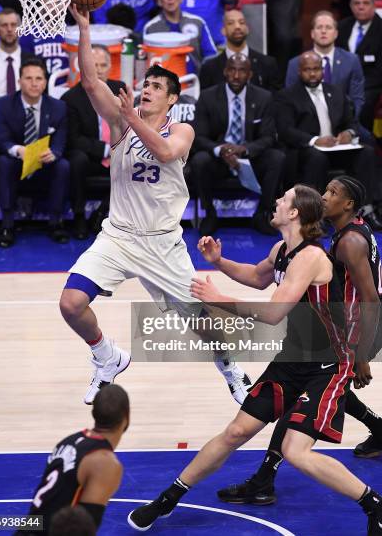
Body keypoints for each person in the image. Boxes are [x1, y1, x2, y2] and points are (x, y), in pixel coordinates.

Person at [127, 184, 382, 535]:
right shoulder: (283, 250)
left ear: (294, 213)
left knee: (296, 450)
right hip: (291, 359)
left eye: (283, 200)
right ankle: (167, 499)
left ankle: (374, 506)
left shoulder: (312, 258)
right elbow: (257, 276)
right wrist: (219, 262)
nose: (276, 203)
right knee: (236, 431)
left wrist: (218, 298)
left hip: (327, 364)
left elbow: (275, 312)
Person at [59, 4, 250, 406]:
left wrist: (131, 115)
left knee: (200, 324)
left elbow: (164, 152)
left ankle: (231, 367)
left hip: (163, 243)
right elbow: (92, 83)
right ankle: (106, 355)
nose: (147, 89)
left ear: (172, 99)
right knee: (71, 303)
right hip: (119, 237)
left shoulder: (181, 128)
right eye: (145, 83)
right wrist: (84, 29)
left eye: (156, 87)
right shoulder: (121, 121)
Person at [217, 175, 382, 506]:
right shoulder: (351, 232)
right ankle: (378, 428)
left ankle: (265, 479)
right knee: (325, 388)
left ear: (349, 205)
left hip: (350, 330)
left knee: (301, 399)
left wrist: (362, 354)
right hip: (339, 328)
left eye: (332, 193)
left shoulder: (348, 242)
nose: (324, 196)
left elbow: (370, 299)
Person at [276, 51, 382, 231]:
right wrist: (315, 140)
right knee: (317, 158)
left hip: (337, 149)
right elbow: (285, 130)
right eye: (307, 70)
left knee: (367, 153)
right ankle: (316, 216)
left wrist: (348, 133)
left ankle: (367, 208)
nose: (312, 73)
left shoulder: (335, 92)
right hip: (306, 151)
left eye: (316, 69)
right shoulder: (287, 96)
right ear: (300, 71)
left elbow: (351, 121)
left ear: (322, 71)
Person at [16, 384, 129, 535]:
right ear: (127, 417)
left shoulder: (68, 441)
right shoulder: (106, 463)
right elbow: (83, 527)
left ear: (94, 413)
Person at [192, 53, 285, 236]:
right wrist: (221, 150)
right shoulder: (207, 97)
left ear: (249, 74)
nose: (236, 76)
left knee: (277, 157)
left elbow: (268, 137)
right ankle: (210, 214)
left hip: (250, 157)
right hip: (219, 159)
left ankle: (263, 213)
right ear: (225, 72)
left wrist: (244, 150)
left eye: (242, 71)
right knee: (199, 160)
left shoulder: (263, 97)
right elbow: (199, 136)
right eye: (232, 70)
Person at [0, 57, 70, 247]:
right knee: (3, 162)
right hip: (18, 161)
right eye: (28, 78)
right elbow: (1, 140)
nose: (34, 83)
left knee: (63, 165)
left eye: (39, 78)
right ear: (19, 81)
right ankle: (7, 224)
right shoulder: (3, 105)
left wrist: (54, 153)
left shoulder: (58, 107)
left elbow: (60, 140)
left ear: (45, 82)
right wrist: (18, 150)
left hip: (44, 163)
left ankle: (56, 223)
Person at [62, 45, 126, 239]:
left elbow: (129, 124)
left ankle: (103, 212)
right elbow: (73, 139)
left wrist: (118, 147)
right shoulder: (70, 98)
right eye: (93, 65)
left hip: (118, 151)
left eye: (103, 65)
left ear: (109, 67)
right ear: (83, 67)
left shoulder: (120, 89)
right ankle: (79, 216)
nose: (98, 69)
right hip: (91, 156)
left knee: (132, 161)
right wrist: (106, 149)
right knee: (77, 160)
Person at [285, 10, 365, 120]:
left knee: (368, 137)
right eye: (319, 27)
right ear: (312, 33)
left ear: (336, 33)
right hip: (307, 125)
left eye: (328, 27)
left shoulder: (352, 61)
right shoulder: (296, 63)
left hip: (344, 122)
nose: (323, 31)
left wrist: (347, 124)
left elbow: (357, 99)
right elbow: (291, 101)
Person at [143, 0, 217, 75]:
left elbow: (210, 56)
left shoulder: (197, 22)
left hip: (195, 80)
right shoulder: (151, 27)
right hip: (163, 83)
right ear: (159, 1)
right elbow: (144, 61)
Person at [199, 8, 281, 92]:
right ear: (223, 31)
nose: (237, 26)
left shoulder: (267, 64)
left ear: (247, 29)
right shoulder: (209, 68)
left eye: (241, 22)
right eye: (231, 23)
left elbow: (275, 102)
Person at [336, 0, 382, 133]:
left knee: (360, 105)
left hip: (370, 87)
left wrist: (356, 87)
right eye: (357, 3)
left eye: (365, 3)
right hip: (341, 84)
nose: (361, 7)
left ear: (374, 5)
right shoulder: (342, 26)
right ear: (350, 5)